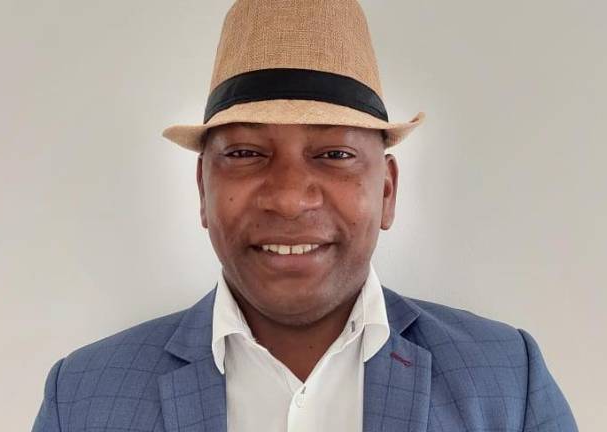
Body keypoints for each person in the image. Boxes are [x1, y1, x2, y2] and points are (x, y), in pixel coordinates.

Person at [32, 1, 577, 431]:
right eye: (246, 153)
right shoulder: (81, 399)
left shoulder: (508, 383)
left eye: (334, 154)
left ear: (387, 191)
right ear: (202, 189)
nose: (289, 198)